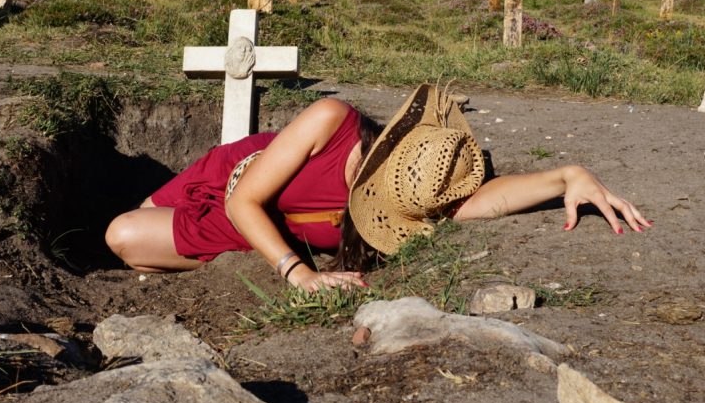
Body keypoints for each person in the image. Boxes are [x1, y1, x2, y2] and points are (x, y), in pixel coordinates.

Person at [106, 84, 652, 293]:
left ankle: (223, 254)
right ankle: (232, 252)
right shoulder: (330, 118)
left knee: (127, 238)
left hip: (255, 229)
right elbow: (244, 197)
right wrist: (297, 272)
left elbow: (486, 199)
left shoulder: (416, 187)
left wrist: (567, 177)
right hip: (231, 183)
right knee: (133, 222)